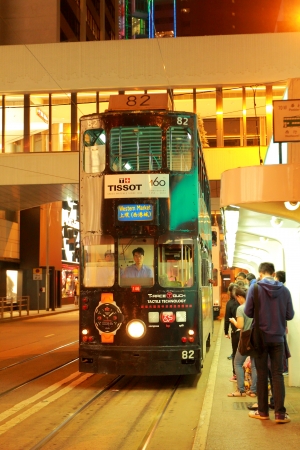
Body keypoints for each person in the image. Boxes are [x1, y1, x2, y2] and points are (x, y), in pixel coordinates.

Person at [245, 262, 294, 423]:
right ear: (273, 274)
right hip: (278, 338)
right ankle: (280, 414)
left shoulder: (255, 288)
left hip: (260, 338)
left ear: (260, 273)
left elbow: (248, 312)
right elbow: (290, 315)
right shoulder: (285, 290)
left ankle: (263, 412)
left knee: (262, 374)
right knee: (277, 374)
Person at [227, 286, 257, 398]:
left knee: (238, 363)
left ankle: (241, 390)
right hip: (256, 338)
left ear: (240, 297)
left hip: (245, 338)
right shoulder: (255, 307)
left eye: (237, 298)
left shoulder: (241, 308)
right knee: (254, 365)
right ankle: (254, 391)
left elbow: (240, 326)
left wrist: (234, 321)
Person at [224, 283, 239, 380]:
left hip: (235, 332)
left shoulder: (229, 303)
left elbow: (227, 319)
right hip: (246, 331)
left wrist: (226, 332)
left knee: (235, 353)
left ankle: (235, 374)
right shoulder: (244, 302)